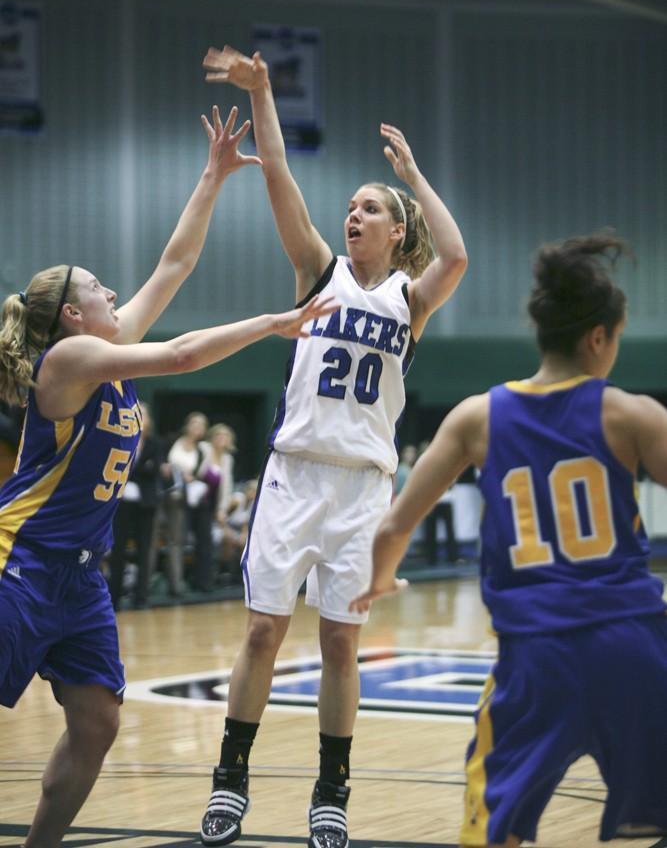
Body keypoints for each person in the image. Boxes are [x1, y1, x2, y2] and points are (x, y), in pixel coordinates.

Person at [0, 102, 337, 848]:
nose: (114, 294)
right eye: (98, 289)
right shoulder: (70, 361)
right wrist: (274, 322)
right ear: (71, 316)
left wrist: (211, 177)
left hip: (80, 578)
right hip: (17, 564)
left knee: (97, 722)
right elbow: (183, 356)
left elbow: (175, 264)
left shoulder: (104, 346)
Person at [199, 44, 468, 848]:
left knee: (340, 644)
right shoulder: (319, 273)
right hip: (294, 477)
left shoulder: (408, 301)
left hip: (362, 491)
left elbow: (455, 255)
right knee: (260, 633)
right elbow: (277, 172)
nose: (352, 215)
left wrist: (414, 175)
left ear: (395, 231)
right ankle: (229, 782)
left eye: (368, 208)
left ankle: (331, 791)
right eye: (349, 206)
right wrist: (263, 92)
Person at [351, 234, 667, 847]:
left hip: (535, 657)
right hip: (632, 643)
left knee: (493, 824)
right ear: (599, 337)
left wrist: (379, 580)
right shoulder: (631, 415)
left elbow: (393, 526)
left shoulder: (477, 416)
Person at [107, 400, 164, 610]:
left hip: (145, 504)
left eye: (144, 414)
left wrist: (136, 470)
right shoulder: (120, 438)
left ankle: (141, 597)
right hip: (121, 504)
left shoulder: (155, 443)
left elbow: (153, 469)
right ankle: (114, 596)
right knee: (118, 549)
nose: (141, 417)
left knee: (144, 550)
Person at [167, 411, 213, 593]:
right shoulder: (173, 441)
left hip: (186, 499)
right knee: (173, 540)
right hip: (166, 495)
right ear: (187, 424)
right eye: (194, 423)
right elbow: (162, 461)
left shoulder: (203, 450)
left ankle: (178, 585)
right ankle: (172, 583)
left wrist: (191, 478)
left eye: (201, 425)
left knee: (180, 540)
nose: (197, 428)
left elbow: (202, 474)